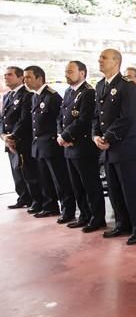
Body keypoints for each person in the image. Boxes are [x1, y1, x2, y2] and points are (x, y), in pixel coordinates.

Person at [93, 48, 136, 245]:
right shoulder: (100, 85)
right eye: (100, 57)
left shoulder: (126, 86)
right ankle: (121, 224)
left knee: (130, 190)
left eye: (104, 58)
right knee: (115, 190)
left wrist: (107, 137)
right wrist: (96, 136)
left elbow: (127, 117)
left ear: (116, 62)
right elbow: (97, 117)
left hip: (124, 147)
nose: (100, 60)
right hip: (107, 149)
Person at [58, 61, 106, 233]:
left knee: (90, 185)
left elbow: (84, 120)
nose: (67, 74)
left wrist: (66, 135)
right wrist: (60, 135)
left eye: (70, 71)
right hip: (69, 147)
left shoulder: (88, 93)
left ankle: (97, 218)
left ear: (82, 73)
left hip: (84, 147)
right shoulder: (69, 92)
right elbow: (61, 117)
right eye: (66, 71)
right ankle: (84, 215)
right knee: (76, 185)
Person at [24, 65, 76, 222]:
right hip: (39, 145)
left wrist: (60, 136)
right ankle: (50, 206)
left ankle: (68, 210)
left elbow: (59, 120)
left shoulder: (52, 96)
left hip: (52, 145)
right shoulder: (35, 97)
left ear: (39, 78)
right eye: (25, 77)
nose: (26, 81)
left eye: (29, 77)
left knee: (60, 180)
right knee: (45, 178)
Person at [1, 66, 41, 210]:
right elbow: (3, 119)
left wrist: (12, 137)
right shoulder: (7, 96)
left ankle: (36, 200)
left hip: (22, 141)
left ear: (20, 78)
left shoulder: (27, 95)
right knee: (16, 172)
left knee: (28, 172)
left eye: (9, 75)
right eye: (5, 75)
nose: (6, 77)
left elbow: (24, 120)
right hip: (9, 141)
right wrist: (3, 135)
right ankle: (23, 197)